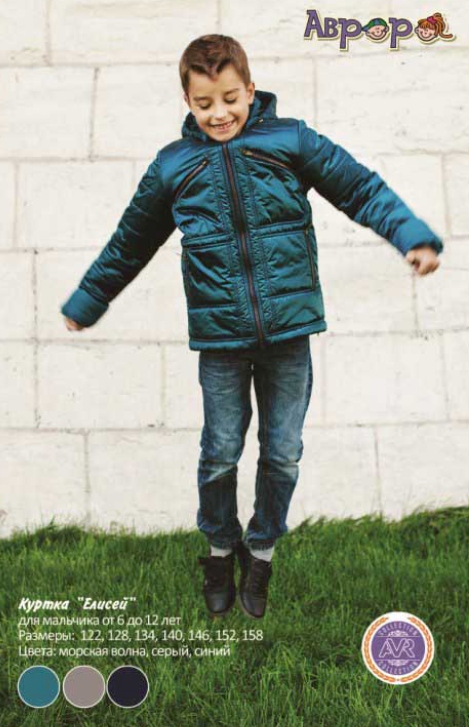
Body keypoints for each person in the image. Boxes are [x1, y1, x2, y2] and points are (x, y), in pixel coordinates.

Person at [61, 34, 442, 620]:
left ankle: (260, 552)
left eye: (230, 99)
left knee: (282, 454)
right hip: (221, 342)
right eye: (204, 103)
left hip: (289, 336)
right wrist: (88, 301)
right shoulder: (173, 167)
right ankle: (220, 550)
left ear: (251, 90)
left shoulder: (290, 140)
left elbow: (360, 187)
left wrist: (411, 236)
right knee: (219, 453)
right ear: (187, 101)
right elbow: (128, 243)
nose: (219, 114)